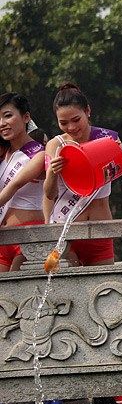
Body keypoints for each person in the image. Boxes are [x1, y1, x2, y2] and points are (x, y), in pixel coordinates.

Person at [44, 83, 122, 266]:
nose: (71, 127)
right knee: (59, 282)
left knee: (104, 289)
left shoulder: (106, 137)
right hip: (66, 231)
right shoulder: (56, 144)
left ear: (88, 111)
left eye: (76, 119)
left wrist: (119, 153)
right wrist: (53, 172)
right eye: (63, 122)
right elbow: (49, 193)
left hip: (101, 230)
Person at [0, 94, 46, 272]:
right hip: (4, 238)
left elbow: (14, 186)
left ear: (26, 117)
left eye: (7, 115)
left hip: (29, 237)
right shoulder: (4, 154)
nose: (2, 123)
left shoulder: (38, 154)